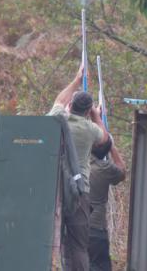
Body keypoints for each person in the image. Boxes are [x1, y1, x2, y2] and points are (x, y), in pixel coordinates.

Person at [48, 63, 108, 271]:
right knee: (79, 246)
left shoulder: (57, 119)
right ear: (87, 110)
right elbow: (105, 139)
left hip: (54, 189)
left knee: (48, 243)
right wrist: (97, 115)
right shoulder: (89, 129)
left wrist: (76, 79)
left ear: (71, 105)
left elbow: (59, 100)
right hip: (79, 191)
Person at [88, 136, 126, 271]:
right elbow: (122, 171)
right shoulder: (104, 168)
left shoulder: (76, 165)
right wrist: (112, 148)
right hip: (96, 228)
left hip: (75, 228)